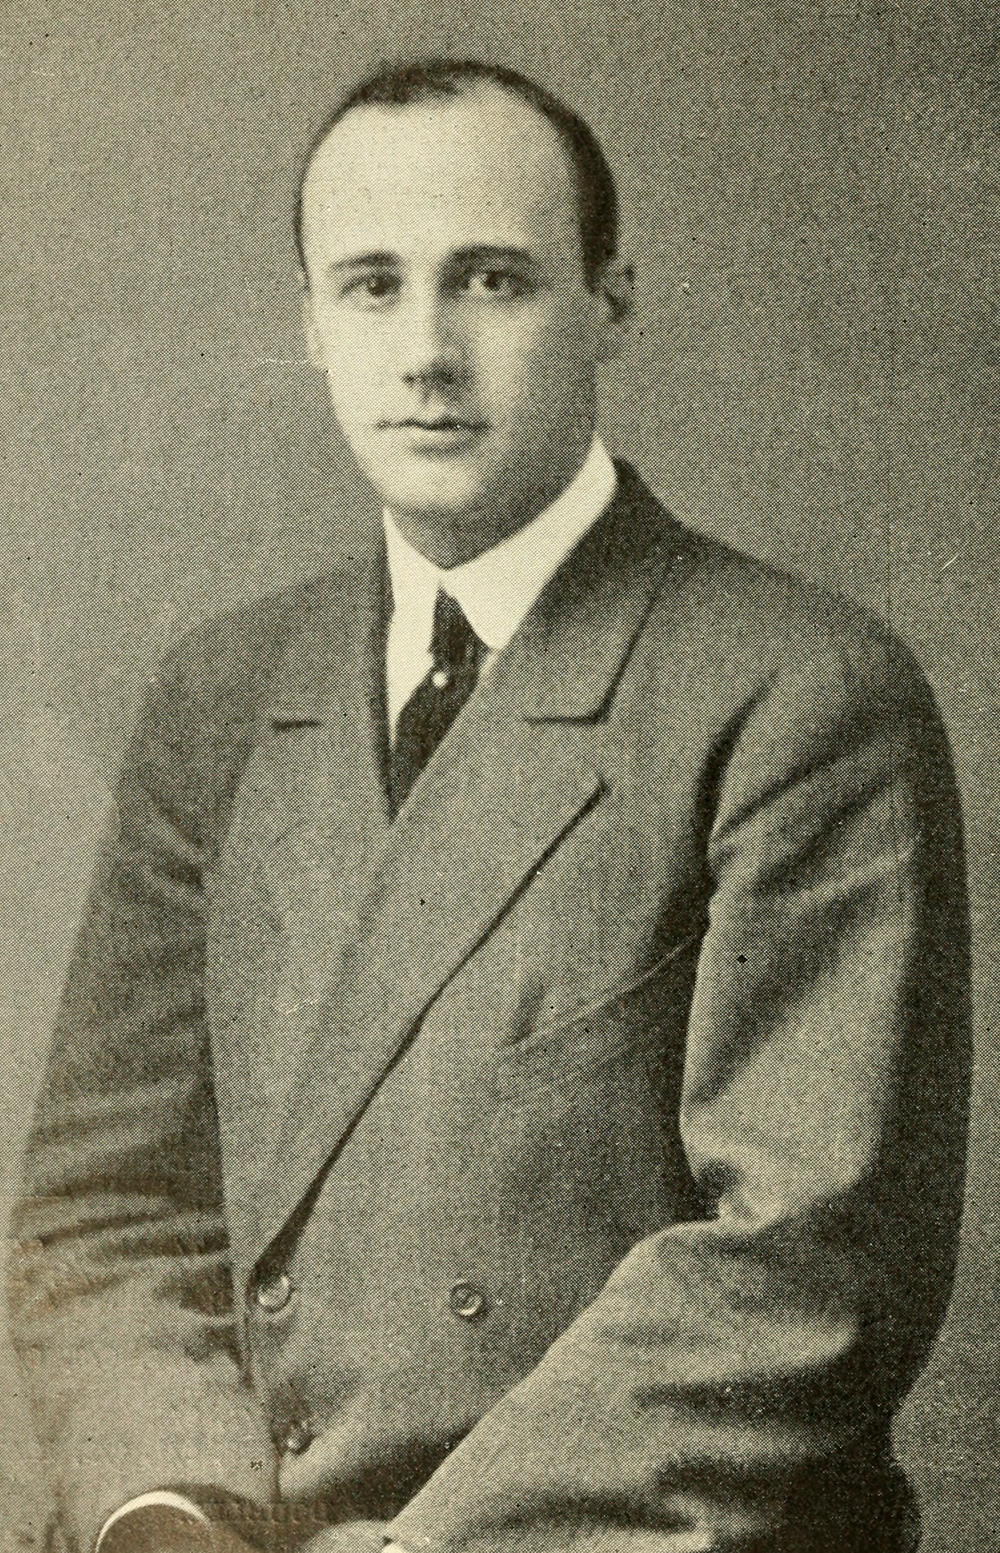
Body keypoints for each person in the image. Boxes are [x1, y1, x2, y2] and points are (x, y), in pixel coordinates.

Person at [8, 57, 972, 1553]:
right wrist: (168, 1514)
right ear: (311, 324)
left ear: (612, 302)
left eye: (494, 280)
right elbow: (110, 1210)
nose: (427, 353)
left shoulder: (803, 691)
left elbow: (802, 1258)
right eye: (372, 286)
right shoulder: (223, 696)